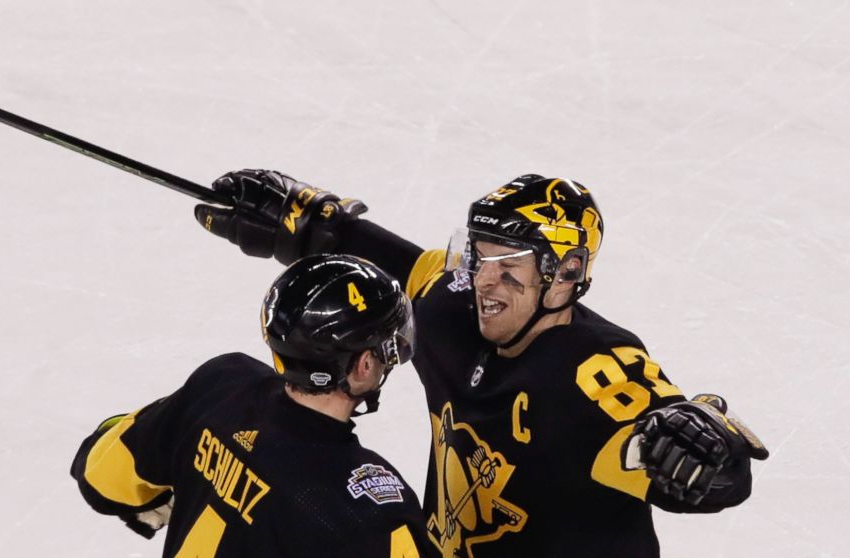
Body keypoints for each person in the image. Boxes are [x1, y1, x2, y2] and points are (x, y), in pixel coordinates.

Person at [193, 170, 769, 557]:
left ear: (565, 273)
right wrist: (305, 226)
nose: (483, 283)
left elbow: (708, 473)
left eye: (509, 264)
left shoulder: (596, 373)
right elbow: (395, 261)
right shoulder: (449, 312)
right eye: (479, 257)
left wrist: (702, 439)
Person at [71, 254, 433, 558]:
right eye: (389, 345)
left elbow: (100, 478)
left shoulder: (221, 384)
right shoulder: (374, 510)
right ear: (364, 365)